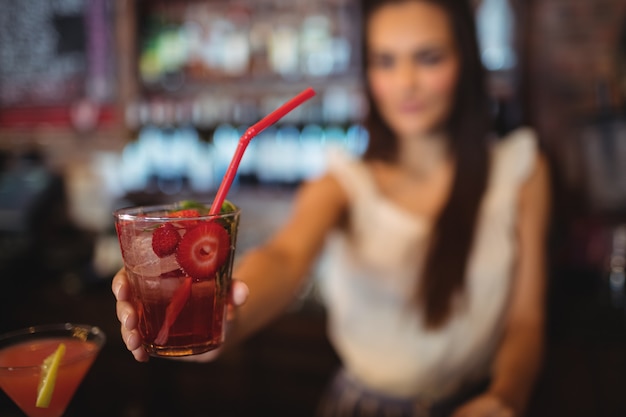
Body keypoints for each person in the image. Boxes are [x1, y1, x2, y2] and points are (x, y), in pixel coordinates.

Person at [113, 0, 551, 416]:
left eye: (429, 57)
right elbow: (285, 257)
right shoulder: (342, 181)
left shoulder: (520, 172)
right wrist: (220, 316)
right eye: (386, 61)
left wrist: (505, 397)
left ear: (466, 62)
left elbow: (526, 320)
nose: (406, 82)